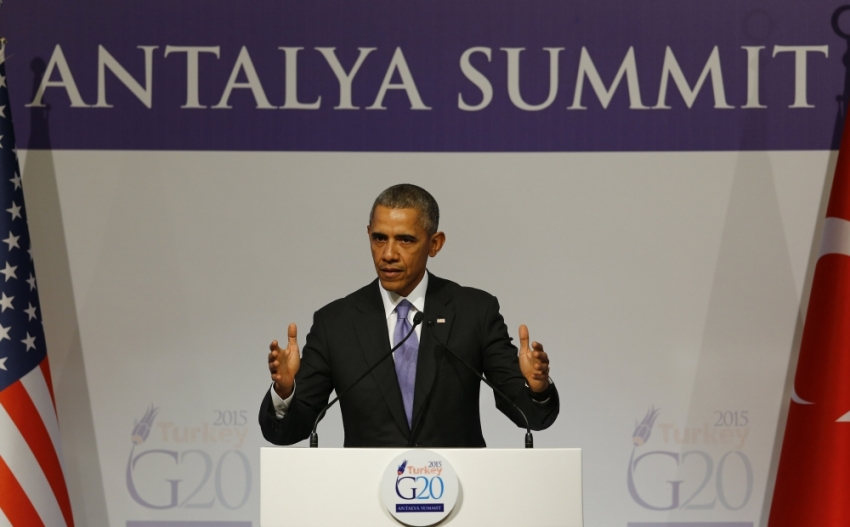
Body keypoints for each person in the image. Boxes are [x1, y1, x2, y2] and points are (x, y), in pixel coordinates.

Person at [258, 184, 559, 447]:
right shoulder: (336, 323)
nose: (388, 253)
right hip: (367, 498)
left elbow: (530, 416)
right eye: (379, 238)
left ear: (435, 243)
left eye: (405, 240)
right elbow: (287, 431)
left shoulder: (474, 312)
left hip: (458, 498)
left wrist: (537, 387)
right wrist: (284, 392)